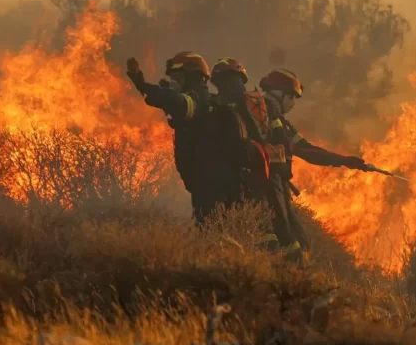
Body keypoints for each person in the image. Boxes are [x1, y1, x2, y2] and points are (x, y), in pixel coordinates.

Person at [258, 68, 372, 259]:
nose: (293, 103)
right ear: (281, 93)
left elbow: (307, 148)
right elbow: (306, 152)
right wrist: (343, 161)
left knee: (299, 242)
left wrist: (344, 160)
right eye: (292, 97)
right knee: (290, 245)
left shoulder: (279, 122)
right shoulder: (268, 117)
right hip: (268, 189)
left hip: (276, 188)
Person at [125, 51, 243, 227]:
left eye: (178, 77)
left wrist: (145, 86)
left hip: (212, 182)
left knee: (210, 230)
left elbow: (179, 103)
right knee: (220, 229)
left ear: (194, 77)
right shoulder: (204, 99)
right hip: (211, 180)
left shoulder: (199, 99)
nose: (174, 82)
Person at [208, 58, 307, 262]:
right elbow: (284, 143)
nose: (293, 103)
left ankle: (282, 270)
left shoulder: (218, 105)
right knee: (283, 232)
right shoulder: (262, 107)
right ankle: (293, 274)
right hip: (265, 179)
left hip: (247, 179)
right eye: (292, 97)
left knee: (268, 230)